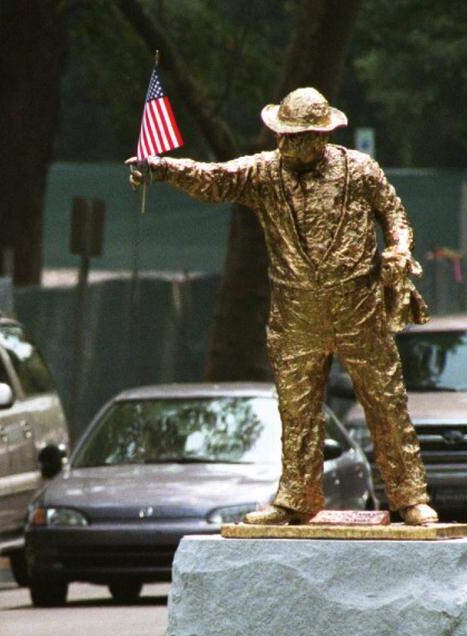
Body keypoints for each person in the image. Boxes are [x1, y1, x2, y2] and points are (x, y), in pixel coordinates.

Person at [128, 87, 438, 526]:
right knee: (297, 413)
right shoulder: (264, 173)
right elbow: (213, 179)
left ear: (323, 135)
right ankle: (297, 496)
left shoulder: (361, 170)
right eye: (283, 135)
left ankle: (410, 497)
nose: (287, 144)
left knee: (386, 404)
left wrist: (399, 251)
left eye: (299, 137)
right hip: (295, 317)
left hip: (360, 311)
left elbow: (395, 217)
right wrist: (160, 168)